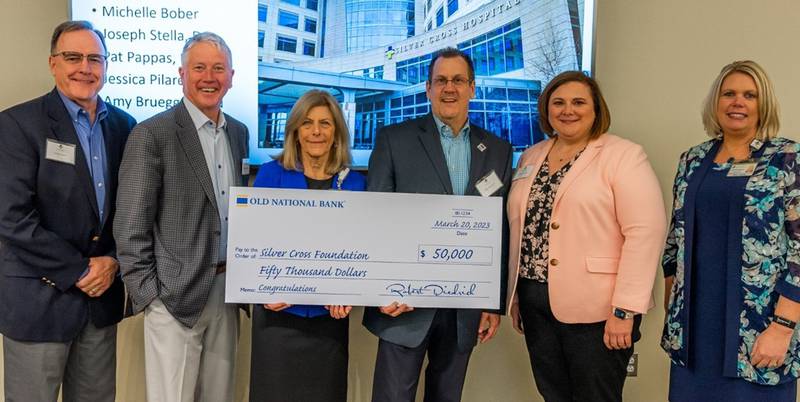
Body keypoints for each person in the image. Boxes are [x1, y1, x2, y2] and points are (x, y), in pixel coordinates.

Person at [506, 71, 666, 402]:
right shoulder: (531, 156)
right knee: (553, 394)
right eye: (558, 102)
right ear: (546, 110)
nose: (568, 110)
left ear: (596, 109)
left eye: (579, 102)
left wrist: (625, 310)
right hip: (536, 303)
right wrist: (517, 296)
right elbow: (522, 229)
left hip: (599, 310)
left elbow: (644, 232)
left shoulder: (623, 155)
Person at [364, 47, 512, 402]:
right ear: (427, 88)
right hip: (403, 303)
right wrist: (382, 287)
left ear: (472, 88)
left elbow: (500, 230)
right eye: (441, 80)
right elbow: (374, 217)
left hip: (464, 307)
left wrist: (492, 301)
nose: (450, 88)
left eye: (458, 80)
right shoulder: (394, 139)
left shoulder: (498, 150)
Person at [0, 20, 136, 402]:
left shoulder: (125, 127)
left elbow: (132, 210)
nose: (85, 68)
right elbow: (11, 217)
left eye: (95, 58)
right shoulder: (16, 124)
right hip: (38, 302)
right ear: (52, 63)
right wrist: (77, 270)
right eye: (73, 57)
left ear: (106, 66)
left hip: (100, 300)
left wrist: (112, 260)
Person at [114, 32, 248, 402]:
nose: (209, 77)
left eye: (218, 68)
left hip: (227, 291)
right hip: (173, 297)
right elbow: (130, 226)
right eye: (199, 67)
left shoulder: (239, 132)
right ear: (181, 74)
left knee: (219, 396)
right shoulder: (151, 134)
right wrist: (150, 297)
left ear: (232, 76)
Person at [662, 60, 800, 401]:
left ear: (762, 104)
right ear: (716, 102)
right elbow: (674, 239)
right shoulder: (692, 160)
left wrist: (783, 328)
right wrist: (672, 305)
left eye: (749, 95)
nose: (738, 102)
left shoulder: (787, 157)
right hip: (694, 331)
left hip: (759, 329)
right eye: (729, 94)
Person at [249, 89, 365, 402]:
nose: (316, 131)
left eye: (325, 123)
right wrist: (262, 289)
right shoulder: (271, 175)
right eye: (307, 123)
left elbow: (360, 250)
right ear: (295, 131)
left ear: (337, 132)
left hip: (329, 323)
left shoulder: (355, 184)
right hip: (277, 319)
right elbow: (254, 243)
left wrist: (349, 291)